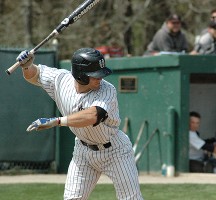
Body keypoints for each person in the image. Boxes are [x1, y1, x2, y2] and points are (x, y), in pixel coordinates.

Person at [16, 48, 143, 200]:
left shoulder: (107, 89)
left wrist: (57, 121)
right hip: (83, 152)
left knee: (131, 198)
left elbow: (93, 115)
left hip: (115, 151)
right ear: (81, 75)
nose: (100, 78)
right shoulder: (61, 79)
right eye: (95, 75)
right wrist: (26, 66)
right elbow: (34, 75)